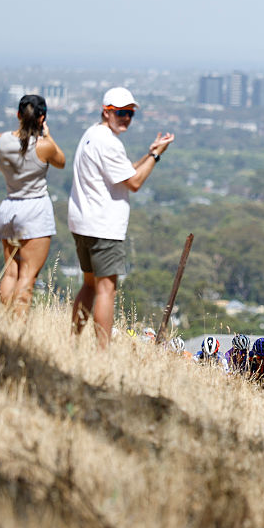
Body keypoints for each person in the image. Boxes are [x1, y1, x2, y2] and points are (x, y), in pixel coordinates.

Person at [68, 87, 174, 348]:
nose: (126, 118)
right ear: (106, 112)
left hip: (83, 222)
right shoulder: (109, 142)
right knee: (107, 290)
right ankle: (102, 351)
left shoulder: (91, 135)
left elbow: (125, 173)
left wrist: (149, 154)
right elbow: (135, 182)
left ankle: (73, 341)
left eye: (130, 114)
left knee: (90, 285)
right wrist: (156, 155)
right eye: (121, 113)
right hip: (104, 226)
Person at [0, 94, 65, 317]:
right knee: (28, 275)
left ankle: (6, 320)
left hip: (9, 207)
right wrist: (49, 137)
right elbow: (61, 162)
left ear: (18, 115)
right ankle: (19, 325)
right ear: (42, 118)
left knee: (10, 273)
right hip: (34, 210)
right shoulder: (44, 146)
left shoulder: (0, 140)